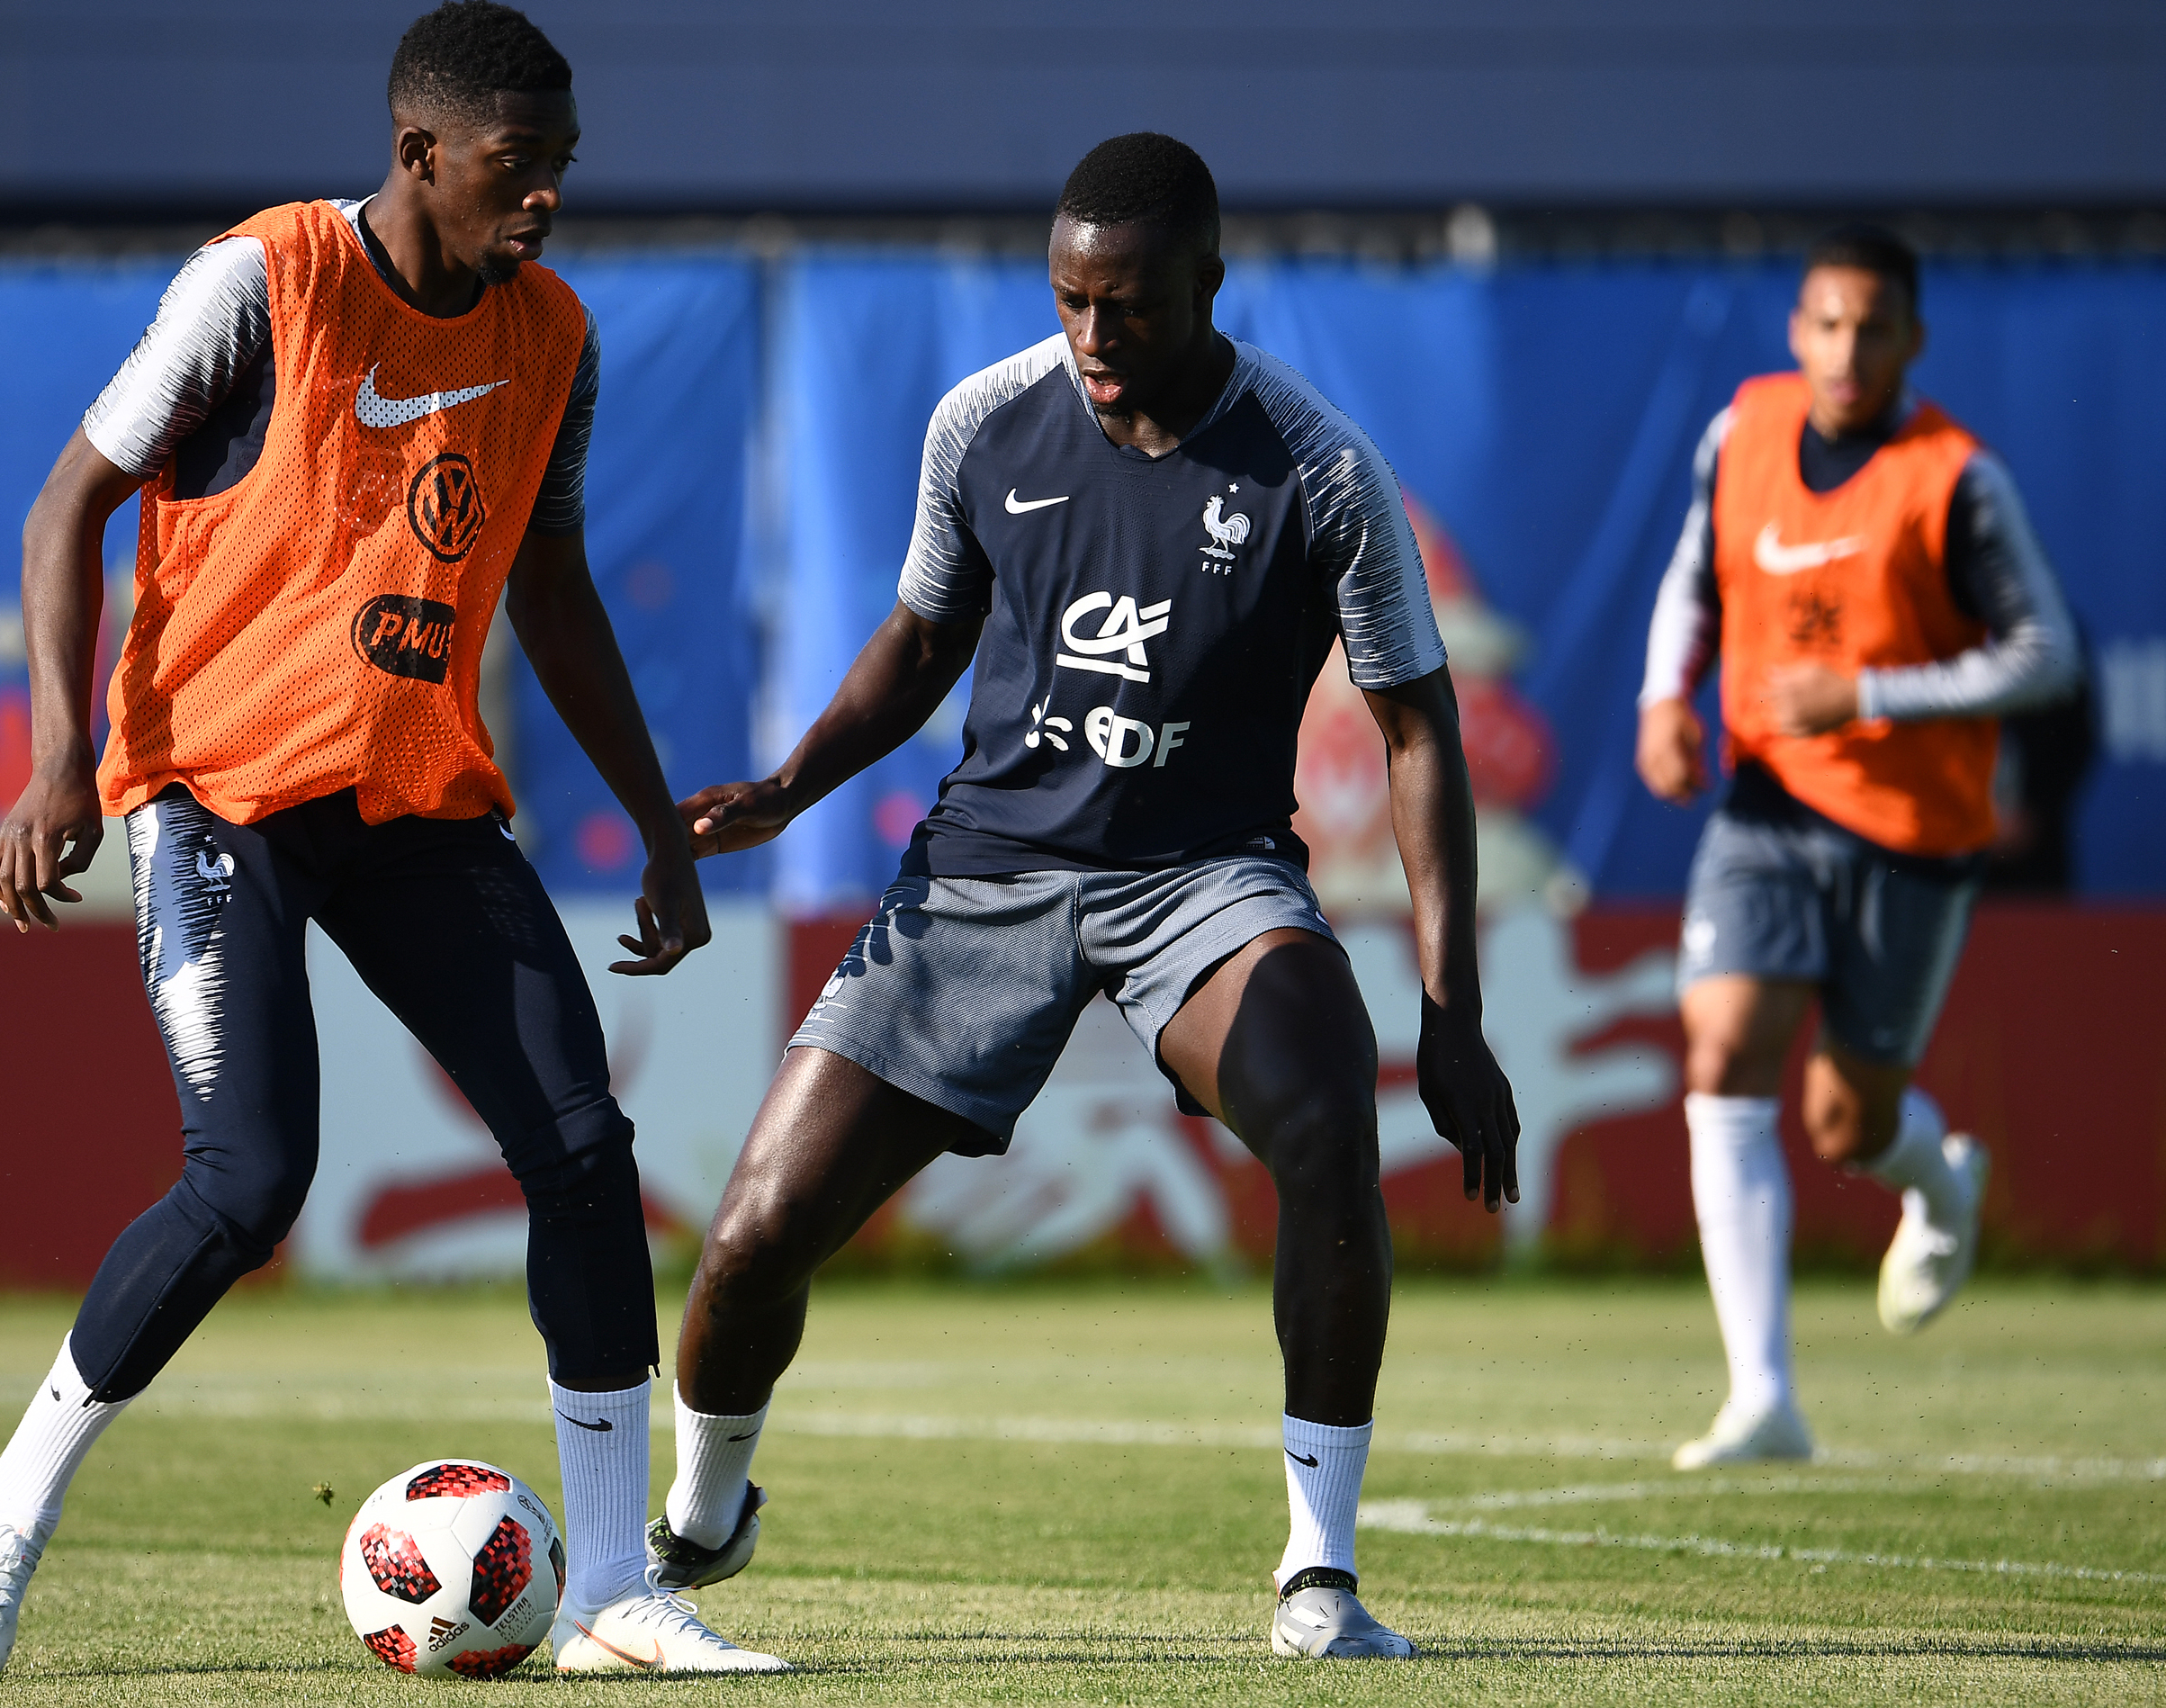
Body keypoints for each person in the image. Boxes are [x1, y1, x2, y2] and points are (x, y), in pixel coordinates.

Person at [0, 0, 783, 1677]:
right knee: (251, 1183)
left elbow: (551, 583)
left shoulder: (557, 337)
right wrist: (51, 765)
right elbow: (65, 505)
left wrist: (656, 828)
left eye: (560, 171)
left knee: (585, 1153)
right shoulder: (264, 282)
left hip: (414, 802)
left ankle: (609, 1586)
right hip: (221, 795)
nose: (544, 202)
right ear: (420, 154)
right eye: (515, 170)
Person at [647, 133, 1523, 1662]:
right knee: (753, 1237)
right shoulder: (984, 424)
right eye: (1070, 303)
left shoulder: (1319, 468)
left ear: (1209, 283)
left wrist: (1452, 1015)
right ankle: (701, 1516)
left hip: (1208, 879)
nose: (1095, 340)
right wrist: (789, 787)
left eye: (1128, 306)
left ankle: (1320, 1575)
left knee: (1327, 1121)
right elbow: (919, 641)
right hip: (989, 872)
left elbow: (1416, 727)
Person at [1634, 224, 2081, 1470]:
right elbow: (1693, 576)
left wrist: (1877, 691)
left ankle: (1938, 1184)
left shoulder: (1957, 480)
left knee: (1843, 1120)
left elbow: (2050, 654)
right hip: (1769, 800)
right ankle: (1762, 1397)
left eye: (1872, 326)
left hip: (1913, 833)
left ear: (1912, 341)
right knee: (1722, 1047)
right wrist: (1663, 699)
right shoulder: (1744, 432)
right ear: (1795, 329)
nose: (1845, 349)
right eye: (1825, 323)